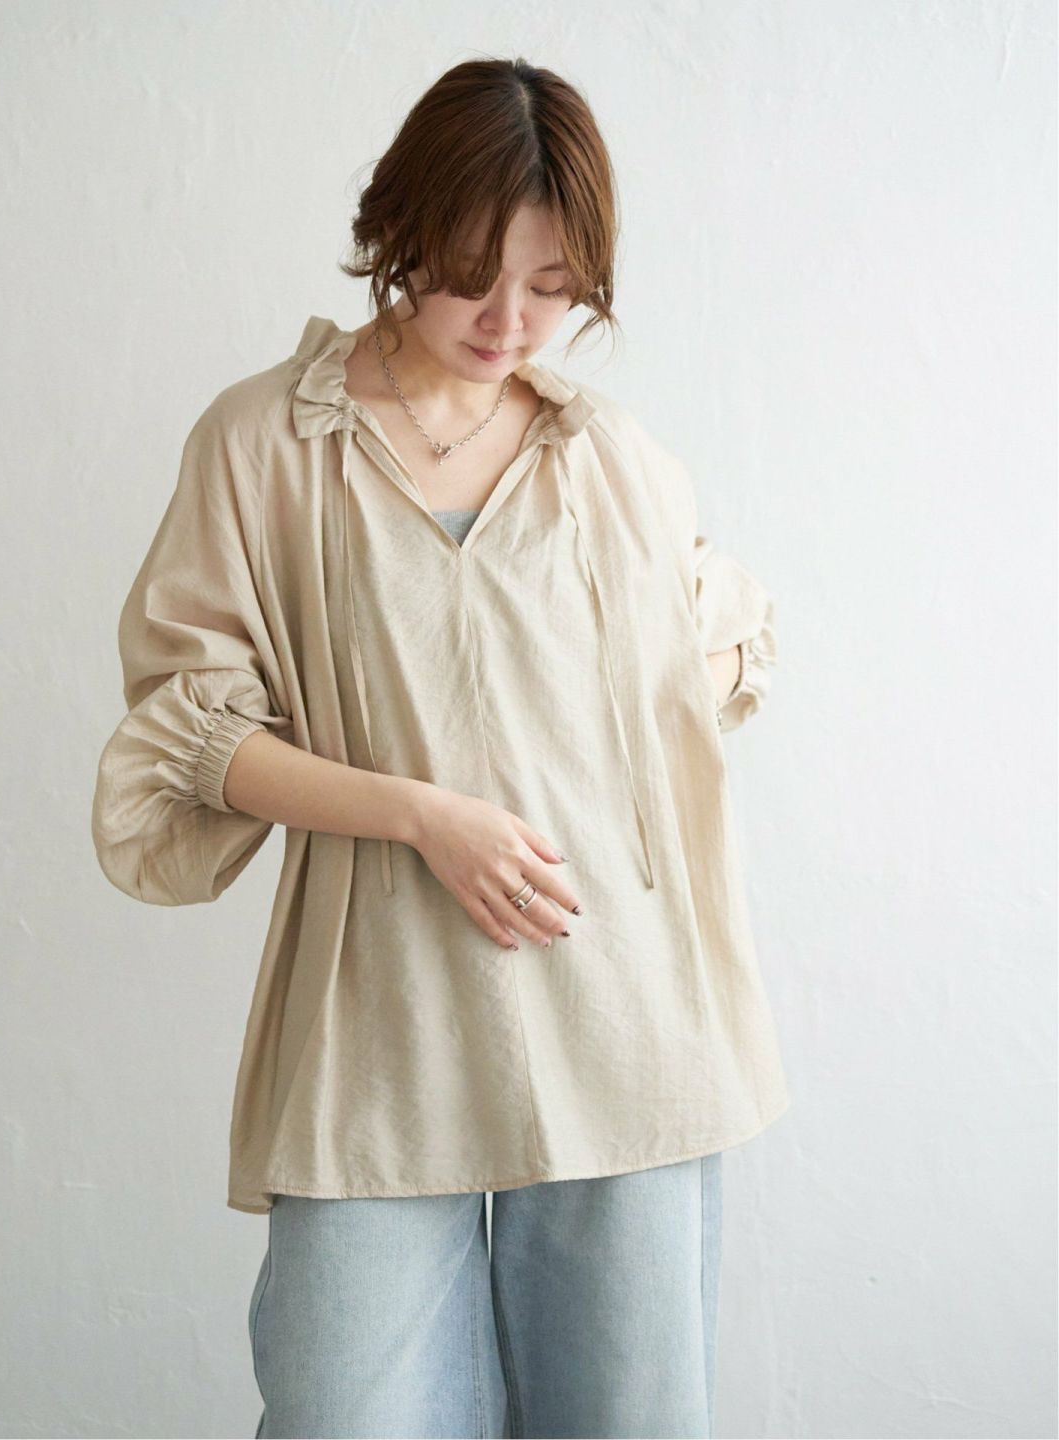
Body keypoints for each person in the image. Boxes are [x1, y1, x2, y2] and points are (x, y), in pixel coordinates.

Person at [91, 54, 790, 1440]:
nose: (510, 322)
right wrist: (422, 813)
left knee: (625, 1418)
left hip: (618, 1015)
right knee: (344, 1409)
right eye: (475, 277)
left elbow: (727, 647)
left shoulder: (606, 460)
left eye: (554, 287)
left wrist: (623, 719)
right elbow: (188, 731)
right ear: (401, 230)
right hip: (380, 1021)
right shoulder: (266, 445)